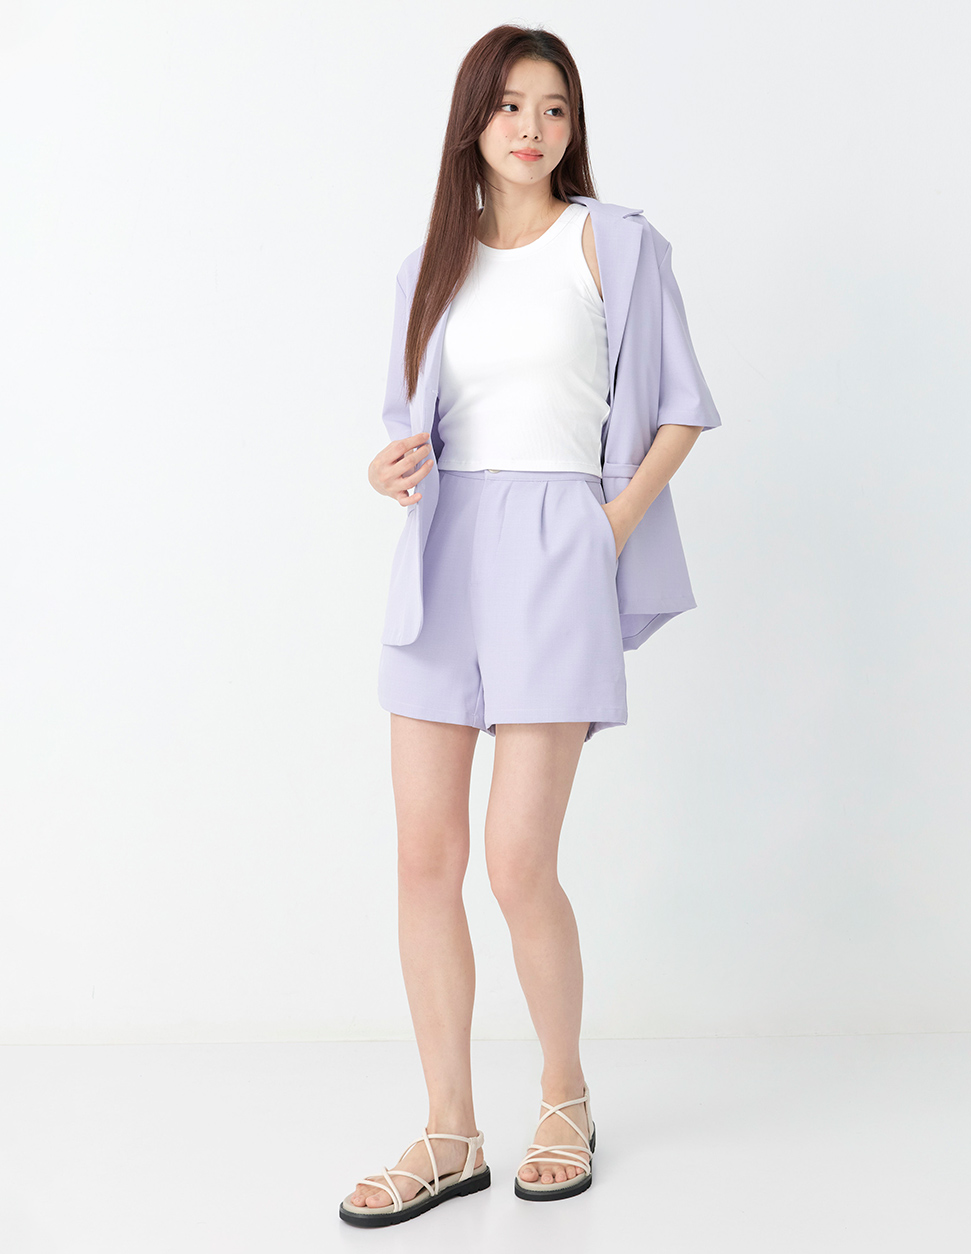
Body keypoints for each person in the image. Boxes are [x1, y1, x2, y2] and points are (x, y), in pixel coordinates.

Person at [340, 23, 721, 1228]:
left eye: (554, 108)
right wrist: (389, 470)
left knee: (516, 860)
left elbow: (678, 408)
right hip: (442, 553)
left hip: (558, 543)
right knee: (423, 859)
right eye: (510, 105)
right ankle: (449, 1131)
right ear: (474, 121)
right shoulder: (427, 266)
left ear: (573, 127)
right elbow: (414, 424)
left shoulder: (615, 244)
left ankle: (564, 1096)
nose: (533, 128)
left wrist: (607, 530)